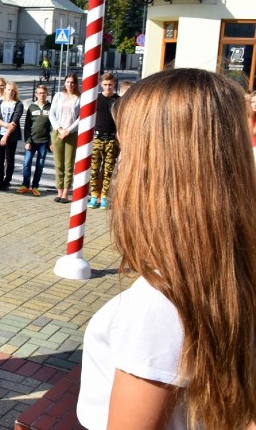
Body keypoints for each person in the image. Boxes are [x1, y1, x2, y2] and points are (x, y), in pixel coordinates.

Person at [77, 69, 256, 430]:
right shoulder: (238, 267)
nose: (118, 170)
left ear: (153, 172)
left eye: (128, 151)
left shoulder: (158, 305)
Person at [88, 73, 120, 210]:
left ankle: (105, 196)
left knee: (108, 170)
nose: (108, 87)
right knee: (94, 169)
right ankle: (94, 195)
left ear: (114, 85)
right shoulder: (96, 99)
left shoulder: (118, 100)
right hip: (97, 138)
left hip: (112, 139)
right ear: (101, 85)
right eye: (105, 85)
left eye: (110, 85)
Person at [49, 73, 80, 203]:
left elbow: (81, 117)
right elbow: (52, 113)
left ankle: (66, 192)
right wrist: (60, 129)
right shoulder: (58, 96)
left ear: (76, 84)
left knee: (69, 164)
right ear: (64, 83)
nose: (70, 84)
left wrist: (68, 130)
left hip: (71, 134)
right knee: (58, 164)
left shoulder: (79, 98)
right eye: (68, 82)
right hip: (58, 132)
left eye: (72, 82)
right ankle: (59, 191)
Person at [17, 85, 51, 196]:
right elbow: (27, 126)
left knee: (40, 165)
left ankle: (35, 186)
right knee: (27, 163)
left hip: (44, 141)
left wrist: (51, 142)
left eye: (44, 93)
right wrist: (27, 141)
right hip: (32, 141)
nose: (42, 95)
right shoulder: (32, 107)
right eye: (39, 93)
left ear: (47, 94)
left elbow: (52, 126)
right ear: (36, 94)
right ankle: (25, 185)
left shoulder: (50, 107)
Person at [0, 81, 23, 191]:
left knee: (9, 159)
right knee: (0, 159)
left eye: (13, 90)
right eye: (9, 89)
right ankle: (0, 181)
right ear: (5, 90)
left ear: (15, 92)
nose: (10, 92)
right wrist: (5, 125)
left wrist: (6, 136)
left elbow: (14, 122)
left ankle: (7, 181)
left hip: (11, 136)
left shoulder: (18, 104)